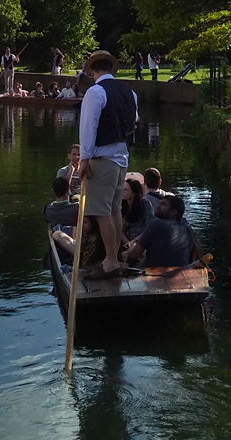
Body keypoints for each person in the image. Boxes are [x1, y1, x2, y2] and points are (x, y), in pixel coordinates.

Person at [78, 50, 139, 276]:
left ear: (93, 71)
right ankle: (115, 259)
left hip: (102, 159)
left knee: (102, 211)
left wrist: (84, 159)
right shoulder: (130, 93)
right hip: (122, 158)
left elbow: (88, 127)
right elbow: (135, 122)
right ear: (111, 69)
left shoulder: (95, 92)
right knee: (114, 210)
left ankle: (110, 262)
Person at [123, 194, 199, 269]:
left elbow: (134, 256)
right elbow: (193, 254)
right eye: (159, 203)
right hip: (181, 271)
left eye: (163, 204)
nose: (158, 206)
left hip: (155, 272)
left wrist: (126, 265)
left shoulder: (156, 224)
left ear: (173, 212)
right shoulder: (186, 228)